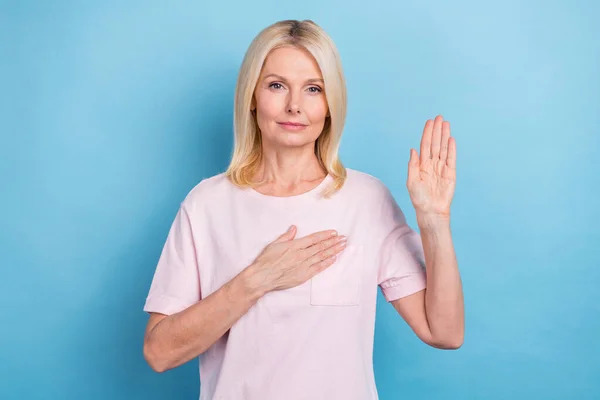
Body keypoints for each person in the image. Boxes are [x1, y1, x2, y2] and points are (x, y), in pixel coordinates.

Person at [142, 19, 464, 400]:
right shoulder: (206, 204)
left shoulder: (366, 200)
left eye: (313, 89)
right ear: (251, 96)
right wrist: (256, 280)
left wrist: (434, 222)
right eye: (277, 85)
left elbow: (444, 333)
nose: (294, 105)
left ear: (330, 105)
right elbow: (159, 353)